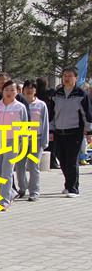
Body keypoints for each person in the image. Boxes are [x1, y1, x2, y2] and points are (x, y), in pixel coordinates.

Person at [49, 66, 92, 198]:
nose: (66, 78)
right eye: (65, 76)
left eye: (69, 76)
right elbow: (52, 114)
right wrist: (51, 130)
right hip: (59, 131)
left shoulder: (80, 94)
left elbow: (86, 114)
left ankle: (73, 188)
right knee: (62, 160)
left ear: (76, 78)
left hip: (75, 132)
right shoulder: (57, 94)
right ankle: (68, 184)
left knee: (72, 160)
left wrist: (89, 131)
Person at [0, 80, 28, 211]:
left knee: (7, 171)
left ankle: (5, 200)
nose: (9, 93)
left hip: (13, 141)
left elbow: (24, 126)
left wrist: (23, 142)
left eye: (12, 90)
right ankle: (7, 193)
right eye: (6, 90)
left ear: (17, 92)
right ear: (2, 91)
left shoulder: (20, 107)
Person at [15, 79, 50, 201]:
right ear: (23, 90)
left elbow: (45, 123)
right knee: (19, 165)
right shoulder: (19, 104)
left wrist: (45, 141)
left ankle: (34, 191)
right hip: (22, 139)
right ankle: (22, 187)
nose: (29, 90)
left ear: (35, 90)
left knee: (33, 165)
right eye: (27, 88)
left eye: (32, 88)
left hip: (36, 138)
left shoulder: (41, 105)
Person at [37, 76, 60, 169]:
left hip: (39, 122)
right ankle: (52, 161)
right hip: (50, 122)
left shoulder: (36, 94)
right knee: (52, 144)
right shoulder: (50, 93)